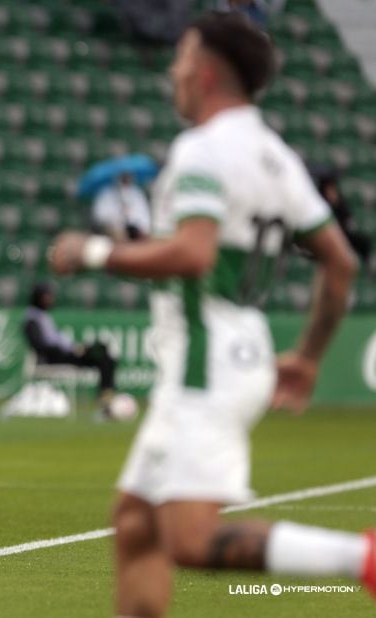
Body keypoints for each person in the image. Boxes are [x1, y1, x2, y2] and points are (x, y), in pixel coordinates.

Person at [49, 12, 373, 616]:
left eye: (181, 57)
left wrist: (92, 250)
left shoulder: (202, 150)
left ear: (205, 72)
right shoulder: (275, 156)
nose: (172, 70)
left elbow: (192, 253)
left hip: (206, 364)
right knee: (136, 524)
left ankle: (363, 561)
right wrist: (306, 357)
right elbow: (341, 263)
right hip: (235, 350)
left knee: (188, 539)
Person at [22, 281, 118, 416]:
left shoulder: (44, 317)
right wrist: (70, 350)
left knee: (105, 356)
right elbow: (40, 346)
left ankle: (106, 400)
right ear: (38, 297)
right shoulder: (32, 319)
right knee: (101, 354)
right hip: (54, 358)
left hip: (66, 354)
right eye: (47, 296)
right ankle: (105, 403)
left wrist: (76, 348)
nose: (50, 300)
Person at [317, 176, 372, 273]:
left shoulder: (340, 204)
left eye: (333, 190)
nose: (332, 193)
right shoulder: (319, 205)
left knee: (363, 242)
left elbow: (348, 221)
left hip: (343, 235)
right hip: (325, 236)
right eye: (329, 190)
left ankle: (367, 268)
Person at [91, 172, 152, 241]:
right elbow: (100, 215)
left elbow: (143, 214)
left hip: (134, 230)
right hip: (113, 229)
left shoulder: (136, 193)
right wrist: (117, 216)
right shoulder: (106, 193)